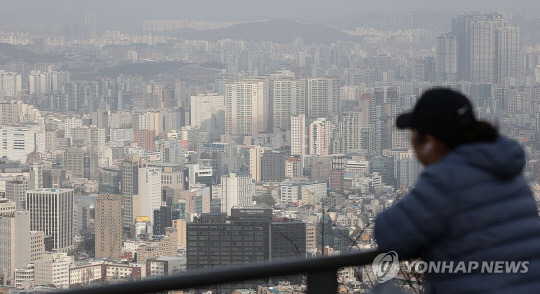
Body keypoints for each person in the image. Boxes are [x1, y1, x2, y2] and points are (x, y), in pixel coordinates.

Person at [374, 88, 540, 293]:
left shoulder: (447, 179)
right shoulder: (509, 173)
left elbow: (389, 235)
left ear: (430, 143)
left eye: (414, 135)